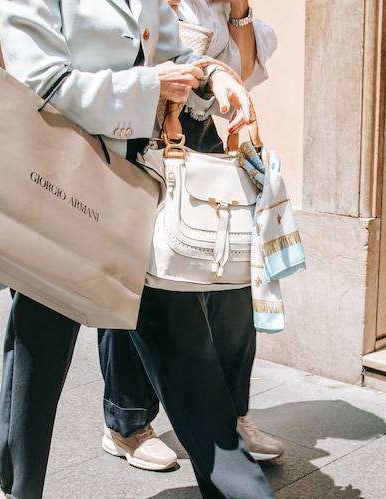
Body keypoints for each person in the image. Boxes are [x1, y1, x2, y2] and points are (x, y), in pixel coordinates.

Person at [0, 0, 339, 499]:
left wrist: (215, 76)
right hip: (60, 183)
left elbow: (172, 50)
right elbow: (40, 81)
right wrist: (148, 85)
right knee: (40, 345)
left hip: (140, 183)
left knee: (184, 343)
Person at [99, 0, 285, 474]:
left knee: (232, 282)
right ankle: (127, 422)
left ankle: (231, 414)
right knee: (137, 278)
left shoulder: (220, 6)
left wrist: (238, 10)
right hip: (139, 134)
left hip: (199, 137)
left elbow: (240, 71)